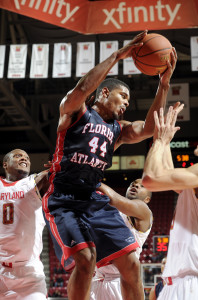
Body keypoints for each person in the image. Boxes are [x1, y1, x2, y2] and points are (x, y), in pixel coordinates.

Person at [42, 30, 177, 300]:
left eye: (128, 100)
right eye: (123, 97)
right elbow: (81, 89)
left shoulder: (118, 129)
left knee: (131, 263)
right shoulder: (76, 113)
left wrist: (163, 85)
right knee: (86, 259)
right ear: (104, 92)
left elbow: (149, 128)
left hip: (93, 198)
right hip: (64, 198)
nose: (127, 103)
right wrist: (117, 55)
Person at [142, 104, 198, 300]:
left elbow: (150, 178)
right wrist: (165, 143)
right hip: (178, 283)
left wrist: (159, 141)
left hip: (190, 284)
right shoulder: (193, 180)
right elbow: (167, 178)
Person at [90, 178, 153, 300]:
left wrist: (89, 179)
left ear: (147, 199)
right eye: (132, 184)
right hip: (99, 278)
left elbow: (113, 199)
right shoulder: (113, 210)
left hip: (120, 280)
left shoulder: (143, 209)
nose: (135, 186)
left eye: (141, 186)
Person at [0, 149, 49, 299]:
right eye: (18, 156)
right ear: (5, 164)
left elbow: (50, 175)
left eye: (27, 157)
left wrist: (57, 168)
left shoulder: (34, 182)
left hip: (30, 273)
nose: (24, 159)